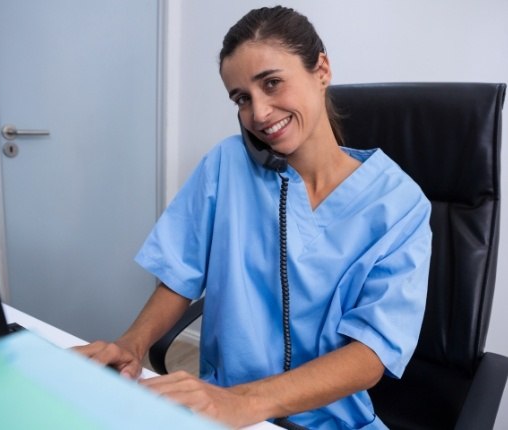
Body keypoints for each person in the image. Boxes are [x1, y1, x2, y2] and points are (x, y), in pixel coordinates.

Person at [75, 6, 432, 430]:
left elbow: (372, 353)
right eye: (242, 98)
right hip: (220, 407)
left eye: (272, 83)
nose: (259, 113)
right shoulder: (225, 164)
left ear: (321, 69)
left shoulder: (399, 205)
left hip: (329, 420)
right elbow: (179, 275)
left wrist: (244, 403)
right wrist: (132, 345)